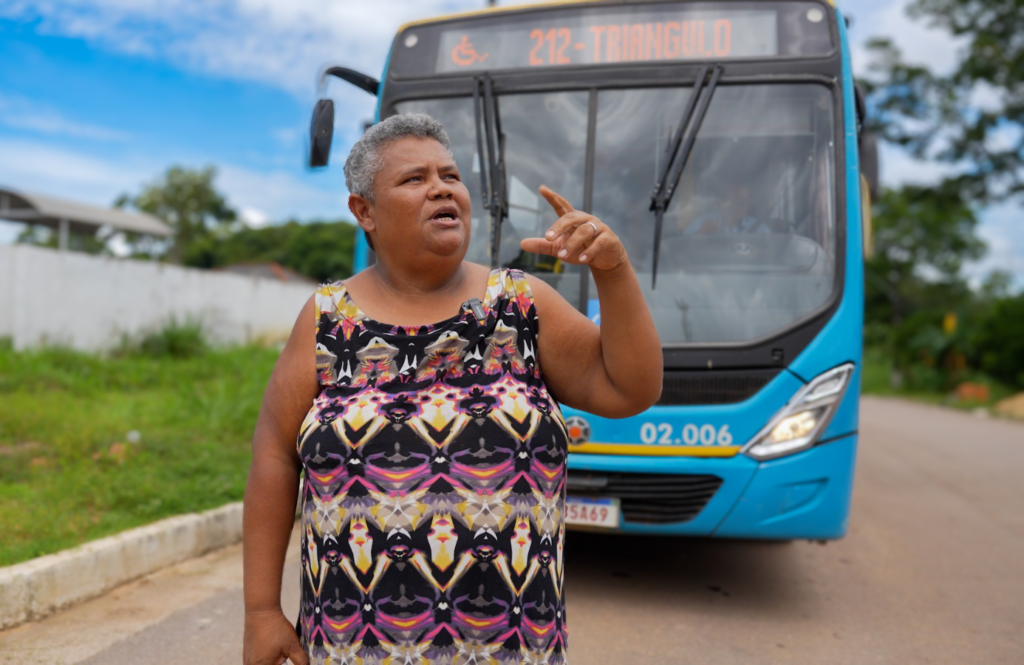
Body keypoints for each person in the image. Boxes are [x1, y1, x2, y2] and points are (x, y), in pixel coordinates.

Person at [242, 113, 662, 665]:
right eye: (414, 179)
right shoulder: (325, 318)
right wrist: (261, 612)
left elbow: (630, 389)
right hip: (352, 645)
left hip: (508, 647)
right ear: (364, 211)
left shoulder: (521, 305)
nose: (441, 187)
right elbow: (274, 453)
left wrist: (614, 271)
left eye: (450, 175)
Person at [683, 182, 771, 235]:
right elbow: (682, 250)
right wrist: (700, 234)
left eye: (746, 201)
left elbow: (771, 256)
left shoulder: (760, 229)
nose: (744, 205)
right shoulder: (701, 223)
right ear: (721, 201)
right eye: (738, 200)